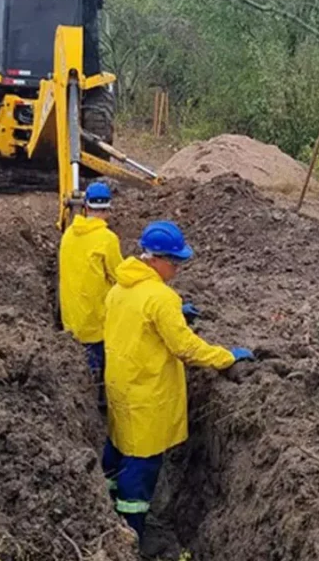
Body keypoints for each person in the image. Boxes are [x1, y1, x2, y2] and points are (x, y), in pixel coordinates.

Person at [102, 220, 254, 543]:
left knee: (116, 451)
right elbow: (185, 347)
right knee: (141, 466)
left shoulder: (119, 288)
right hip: (146, 394)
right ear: (155, 260)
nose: (177, 269)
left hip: (120, 386)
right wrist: (226, 357)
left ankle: (106, 512)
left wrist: (175, 314)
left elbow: (139, 322)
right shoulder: (161, 298)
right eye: (174, 262)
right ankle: (132, 534)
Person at [59, 182, 122, 410]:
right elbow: (120, 277)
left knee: (81, 368)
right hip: (96, 322)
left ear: (85, 208)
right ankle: (97, 406)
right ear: (108, 209)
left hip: (71, 319)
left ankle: (87, 406)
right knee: (96, 370)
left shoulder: (68, 234)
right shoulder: (107, 239)